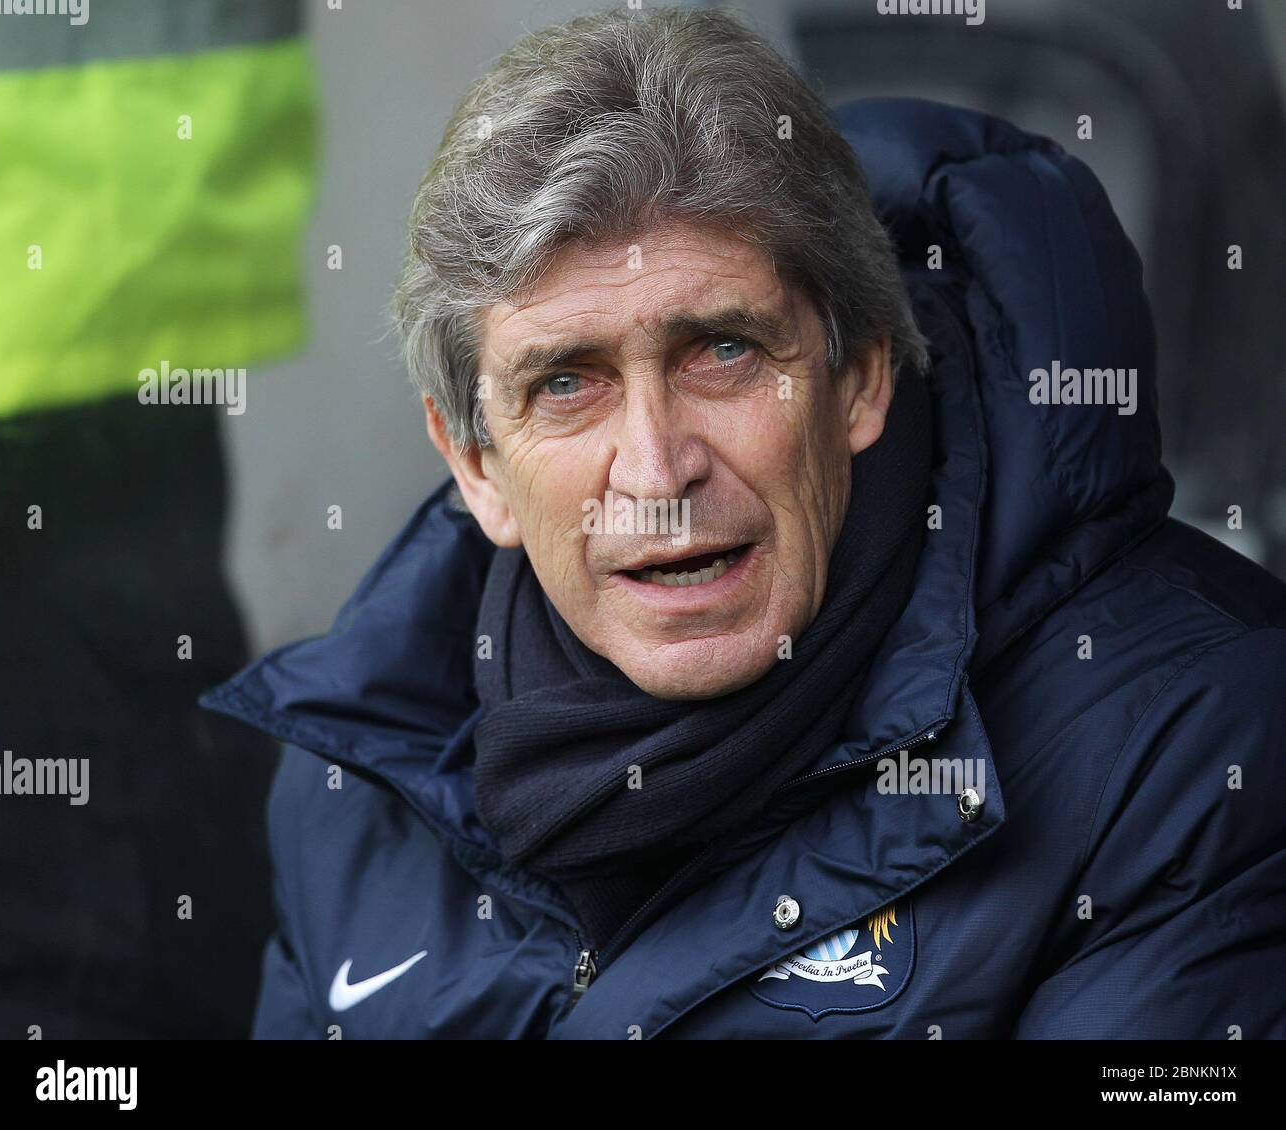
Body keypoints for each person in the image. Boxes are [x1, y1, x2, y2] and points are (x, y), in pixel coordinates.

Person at [203, 8, 1286, 1039]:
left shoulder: (1188, 745)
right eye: (567, 383)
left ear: (859, 374)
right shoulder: (355, 785)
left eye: (721, 351)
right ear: (475, 463)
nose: (657, 467)